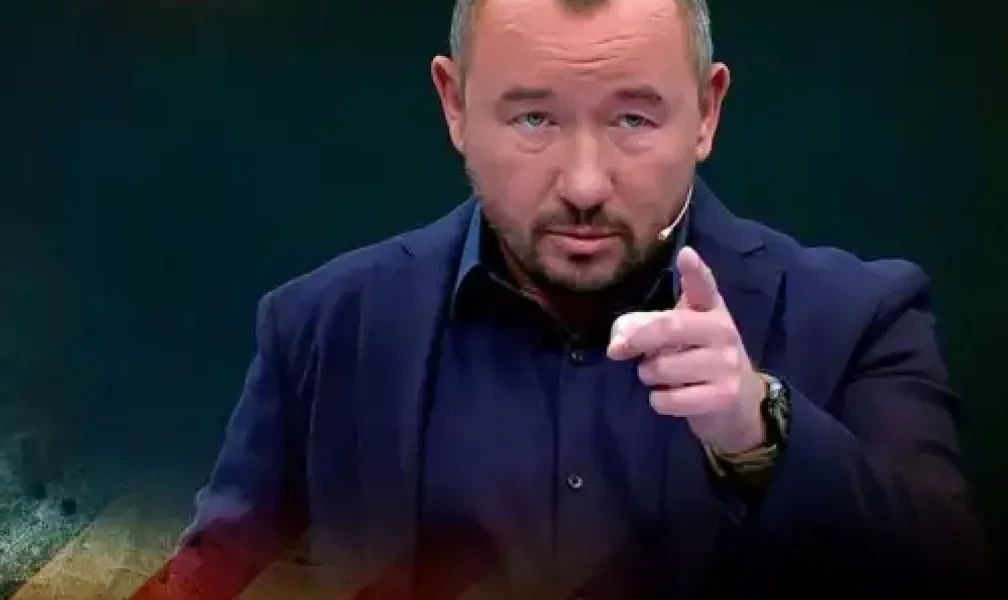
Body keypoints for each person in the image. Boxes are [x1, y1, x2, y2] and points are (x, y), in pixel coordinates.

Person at [133, 0, 983, 598]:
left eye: (633, 120)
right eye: (534, 120)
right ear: (454, 105)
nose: (583, 186)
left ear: (707, 111)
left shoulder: (864, 317)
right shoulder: (318, 329)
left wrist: (763, 432)